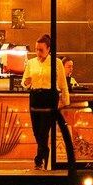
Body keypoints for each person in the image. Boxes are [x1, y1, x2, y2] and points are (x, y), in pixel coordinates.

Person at [22, 34, 69, 171]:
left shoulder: (57, 63)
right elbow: (24, 81)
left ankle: (38, 159)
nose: (38, 53)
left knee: (44, 131)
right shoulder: (31, 63)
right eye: (36, 49)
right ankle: (45, 151)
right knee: (36, 131)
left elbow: (63, 84)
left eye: (41, 50)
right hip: (35, 96)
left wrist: (65, 101)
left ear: (49, 49)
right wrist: (26, 82)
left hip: (50, 97)